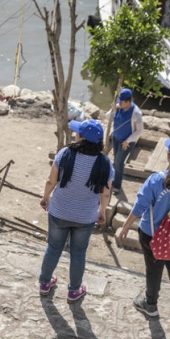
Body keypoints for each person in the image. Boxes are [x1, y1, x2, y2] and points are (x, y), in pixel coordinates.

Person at [117, 137, 170, 317]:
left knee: (154, 267)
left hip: (151, 234)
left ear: (168, 156)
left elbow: (140, 206)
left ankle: (150, 304)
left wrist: (125, 227)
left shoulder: (156, 180)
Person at [38, 119, 113, 302]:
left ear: (81, 137)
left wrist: (46, 197)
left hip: (59, 211)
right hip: (85, 217)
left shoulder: (65, 153)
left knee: (53, 248)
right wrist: (102, 211)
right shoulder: (105, 163)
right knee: (78, 253)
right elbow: (105, 193)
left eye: (77, 132)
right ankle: (73, 291)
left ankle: (45, 283)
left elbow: (51, 181)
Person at [106, 88, 143, 195]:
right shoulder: (118, 107)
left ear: (128, 101)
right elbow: (107, 117)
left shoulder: (136, 113)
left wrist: (128, 140)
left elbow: (139, 130)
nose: (120, 103)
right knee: (115, 159)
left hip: (126, 142)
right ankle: (113, 178)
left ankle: (116, 185)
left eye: (122, 102)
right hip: (116, 137)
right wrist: (113, 109)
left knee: (119, 162)